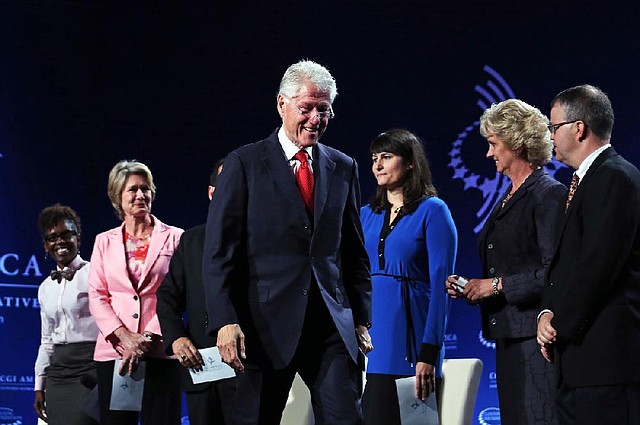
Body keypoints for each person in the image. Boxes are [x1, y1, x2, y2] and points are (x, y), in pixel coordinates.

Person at [202, 59, 372, 425]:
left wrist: (361, 319)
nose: (315, 119)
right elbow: (219, 252)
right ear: (282, 104)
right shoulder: (244, 163)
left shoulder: (344, 166)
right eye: (306, 108)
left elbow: (353, 252)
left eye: (323, 110)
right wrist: (224, 321)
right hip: (264, 328)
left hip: (329, 324)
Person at [445, 99, 566, 425]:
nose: (488, 153)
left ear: (516, 142)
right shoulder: (509, 196)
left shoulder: (546, 194)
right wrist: (474, 288)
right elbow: (507, 267)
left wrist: (496, 286)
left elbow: (554, 274)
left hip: (537, 342)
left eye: (493, 144)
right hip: (509, 337)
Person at [536, 85, 640, 425]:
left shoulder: (615, 177)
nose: (550, 137)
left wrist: (558, 324)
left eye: (554, 128)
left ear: (578, 128)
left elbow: (598, 265)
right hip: (581, 363)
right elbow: (567, 264)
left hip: (606, 364)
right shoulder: (587, 180)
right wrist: (547, 312)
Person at [360, 129, 457, 425]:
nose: (378, 165)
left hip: (412, 350)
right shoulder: (365, 214)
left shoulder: (433, 211)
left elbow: (443, 287)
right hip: (371, 350)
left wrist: (429, 352)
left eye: (386, 157)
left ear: (410, 163)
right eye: (375, 158)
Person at [88, 159, 184, 425]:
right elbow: (97, 295)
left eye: (146, 188)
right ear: (118, 197)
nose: (141, 195)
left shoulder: (175, 237)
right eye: (133, 189)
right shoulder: (103, 241)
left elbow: (177, 292)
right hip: (115, 351)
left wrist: (147, 337)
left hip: (161, 348)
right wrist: (123, 337)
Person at [156, 158, 236, 425]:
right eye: (224, 184)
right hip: (201, 367)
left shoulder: (259, 240)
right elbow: (167, 297)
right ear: (211, 192)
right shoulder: (190, 241)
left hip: (245, 371)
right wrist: (176, 338)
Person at [33, 204, 99, 425]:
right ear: (45, 246)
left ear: (78, 239)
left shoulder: (96, 273)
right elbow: (46, 341)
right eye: (52, 238)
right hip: (58, 372)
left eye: (66, 235)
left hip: (90, 368)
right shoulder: (45, 287)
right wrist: (39, 386)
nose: (59, 241)